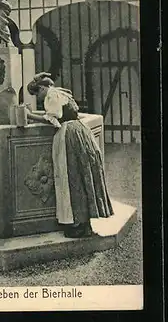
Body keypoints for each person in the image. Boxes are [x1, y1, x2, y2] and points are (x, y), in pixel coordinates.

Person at [25, 72, 114, 238]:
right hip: (80, 130)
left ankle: (78, 224)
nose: (38, 97)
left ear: (43, 88)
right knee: (82, 174)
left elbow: (54, 118)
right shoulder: (61, 92)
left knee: (70, 176)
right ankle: (84, 223)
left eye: (38, 93)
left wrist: (29, 116)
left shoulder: (51, 96)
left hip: (69, 135)